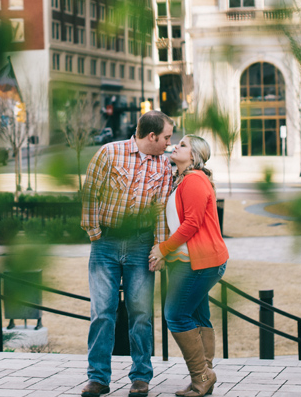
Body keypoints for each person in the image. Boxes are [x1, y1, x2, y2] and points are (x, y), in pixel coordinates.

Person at [80, 111, 175, 397]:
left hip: (140, 245)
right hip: (106, 243)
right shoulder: (109, 153)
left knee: (142, 314)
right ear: (151, 136)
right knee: (102, 313)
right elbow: (90, 193)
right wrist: (96, 235)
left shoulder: (165, 166)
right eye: (167, 137)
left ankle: (141, 377)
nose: (169, 143)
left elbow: (160, 210)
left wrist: (159, 247)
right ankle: (98, 378)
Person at [149, 135, 228, 397]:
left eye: (182, 145)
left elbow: (191, 224)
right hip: (189, 261)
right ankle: (204, 376)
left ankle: (202, 376)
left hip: (200, 261)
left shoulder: (194, 179)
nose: (175, 147)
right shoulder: (181, 179)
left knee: (175, 314)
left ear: (193, 155)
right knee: (197, 316)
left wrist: (163, 249)